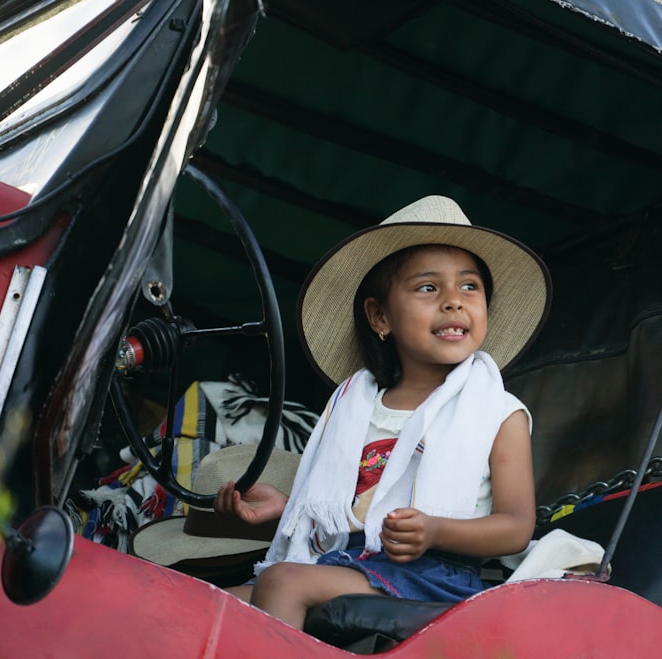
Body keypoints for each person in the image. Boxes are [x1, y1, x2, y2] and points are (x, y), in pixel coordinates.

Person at [215, 194, 551, 629]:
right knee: (211, 602)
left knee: (280, 583)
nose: (454, 300)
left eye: (470, 286)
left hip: (434, 576)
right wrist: (289, 507)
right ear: (380, 317)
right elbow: (355, 506)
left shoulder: (499, 413)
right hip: (348, 561)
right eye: (428, 288)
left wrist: (435, 530)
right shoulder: (353, 405)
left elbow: (516, 526)